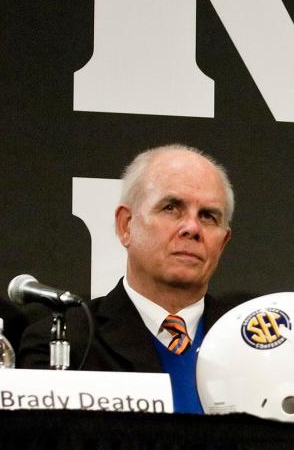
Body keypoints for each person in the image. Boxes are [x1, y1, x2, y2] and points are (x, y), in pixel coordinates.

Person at [17, 145, 237, 413]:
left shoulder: (255, 346)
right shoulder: (64, 344)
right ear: (125, 225)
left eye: (208, 216)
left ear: (223, 243)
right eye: (171, 208)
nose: (192, 228)